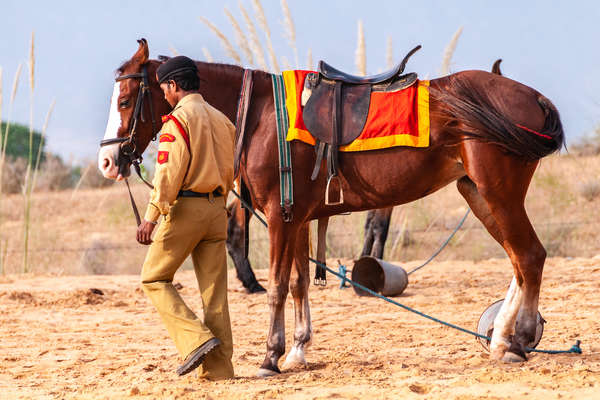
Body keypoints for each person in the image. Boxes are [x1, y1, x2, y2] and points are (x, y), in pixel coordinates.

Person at [136, 55, 235, 379]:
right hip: (217, 209)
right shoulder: (223, 121)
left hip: (187, 210)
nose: (164, 94)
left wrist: (151, 217)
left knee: (153, 278)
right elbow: (231, 171)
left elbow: (168, 174)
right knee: (215, 294)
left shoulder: (177, 122)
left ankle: (195, 341)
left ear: (174, 85)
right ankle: (219, 370)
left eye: (164, 88)